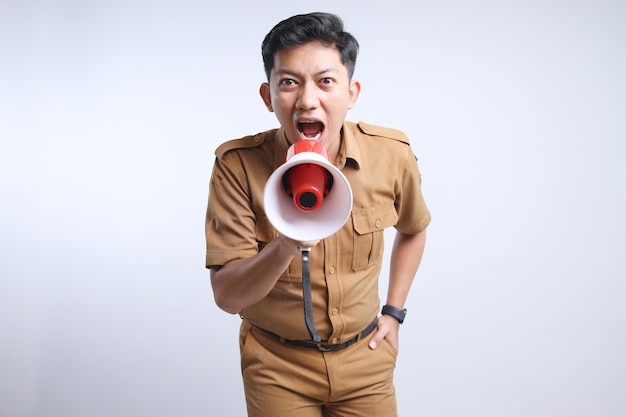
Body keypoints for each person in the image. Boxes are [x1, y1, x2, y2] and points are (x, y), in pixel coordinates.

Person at [205, 12, 431, 417]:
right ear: (268, 95)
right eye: (288, 82)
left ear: (351, 92)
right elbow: (226, 296)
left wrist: (394, 312)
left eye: (326, 81)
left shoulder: (390, 155)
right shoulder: (237, 165)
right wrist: (286, 245)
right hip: (277, 365)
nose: (307, 100)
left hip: (367, 359)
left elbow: (414, 228)